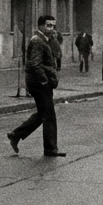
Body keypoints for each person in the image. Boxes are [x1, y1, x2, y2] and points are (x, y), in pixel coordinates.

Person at [7, 15, 65, 157]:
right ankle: (50, 149)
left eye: (53, 26)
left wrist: (53, 39)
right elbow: (34, 63)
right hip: (39, 83)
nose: (51, 29)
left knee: (43, 113)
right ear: (40, 26)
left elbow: (57, 53)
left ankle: (16, 134)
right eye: (48, 25)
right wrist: (44, 80)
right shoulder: (37, 41)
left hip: (38, 82)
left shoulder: (45, 40)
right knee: (49, 115)